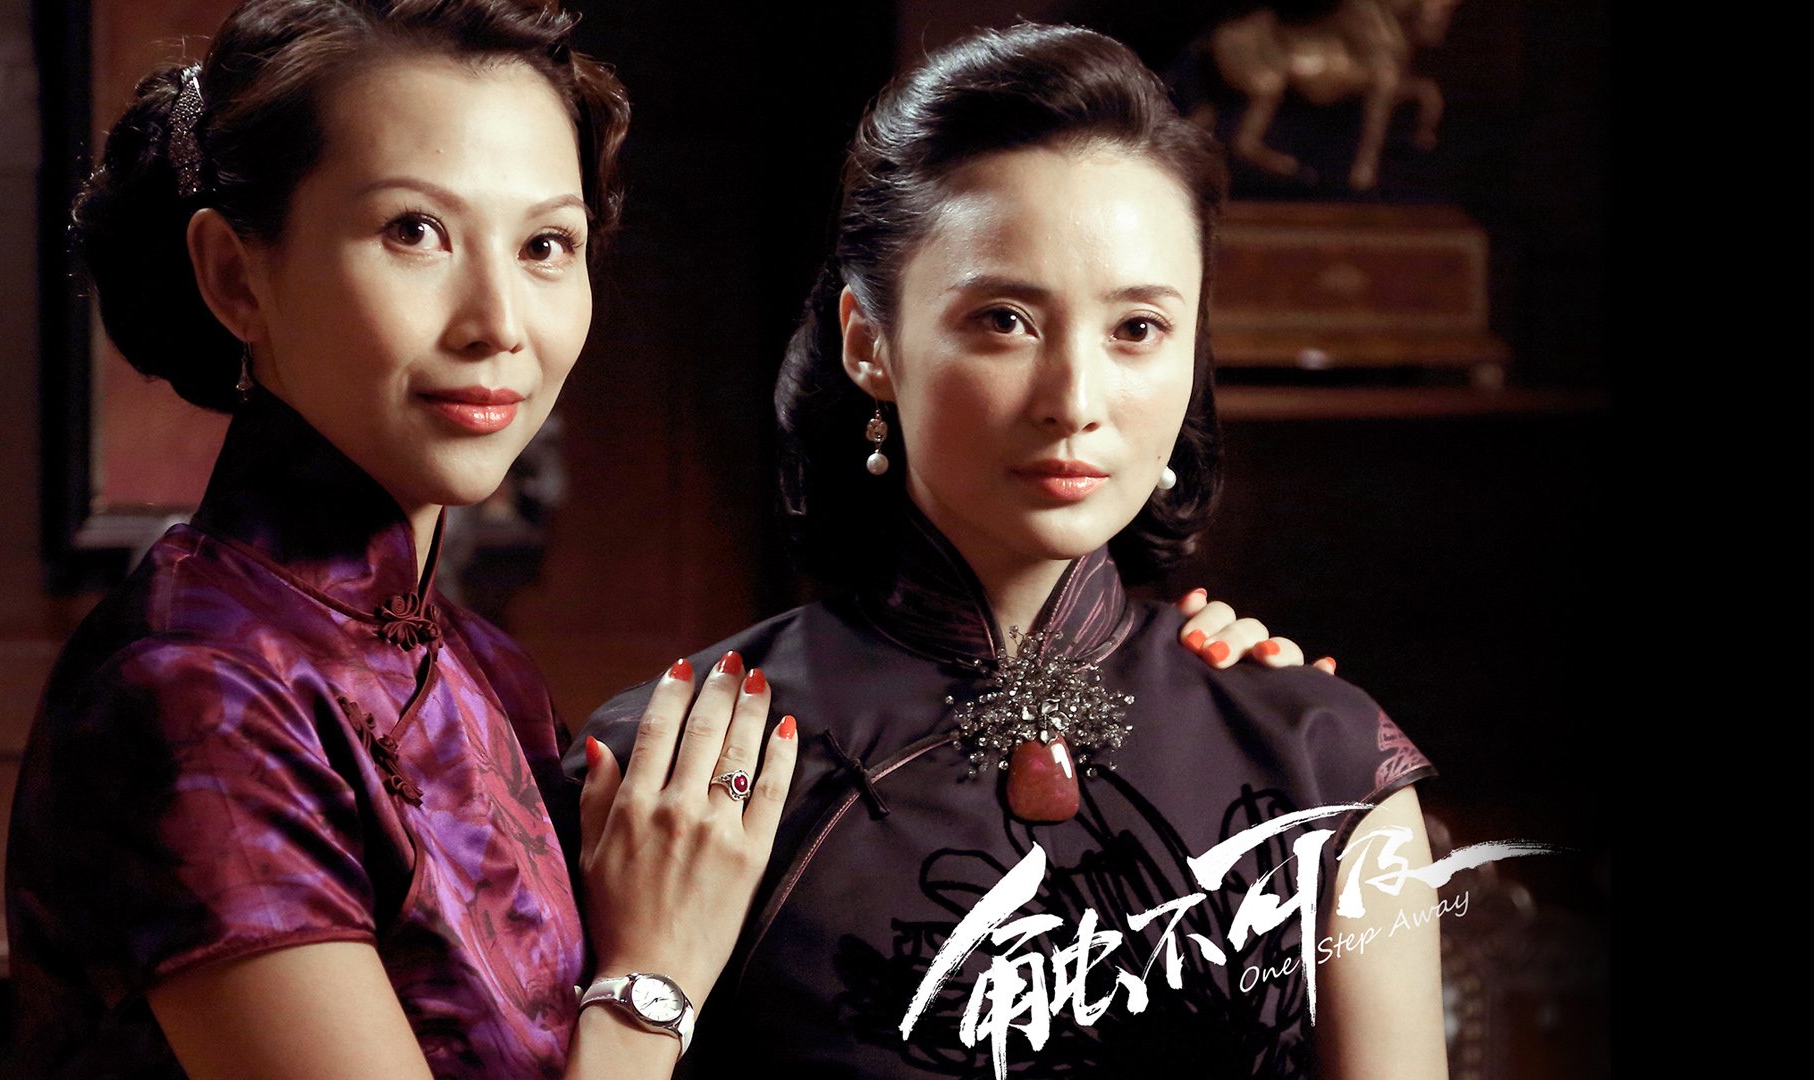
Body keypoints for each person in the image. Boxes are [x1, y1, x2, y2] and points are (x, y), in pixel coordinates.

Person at [571, 23, 1446, 1079]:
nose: (1075, 400)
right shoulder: (677, 770)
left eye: (1137, 329)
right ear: (869, 343)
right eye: (1004, 320)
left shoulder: (1324, 760)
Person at [4, 2, 800, 1077]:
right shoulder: (195, 692)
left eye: (546, 246)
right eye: (414, 231)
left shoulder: (482, 666)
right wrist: (654, 979)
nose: (498, 323)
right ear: (236, 275)